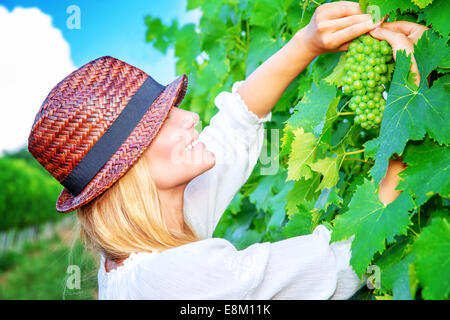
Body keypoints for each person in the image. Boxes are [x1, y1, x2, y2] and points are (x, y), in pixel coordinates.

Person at [27, 1, 427, 299]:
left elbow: (236, 122)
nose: (189, 119)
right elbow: (337, 262)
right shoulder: (174, 277)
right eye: (162, 123)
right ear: (128, 171)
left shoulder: (143, 240)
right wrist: (408, 105)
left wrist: (307, 43)